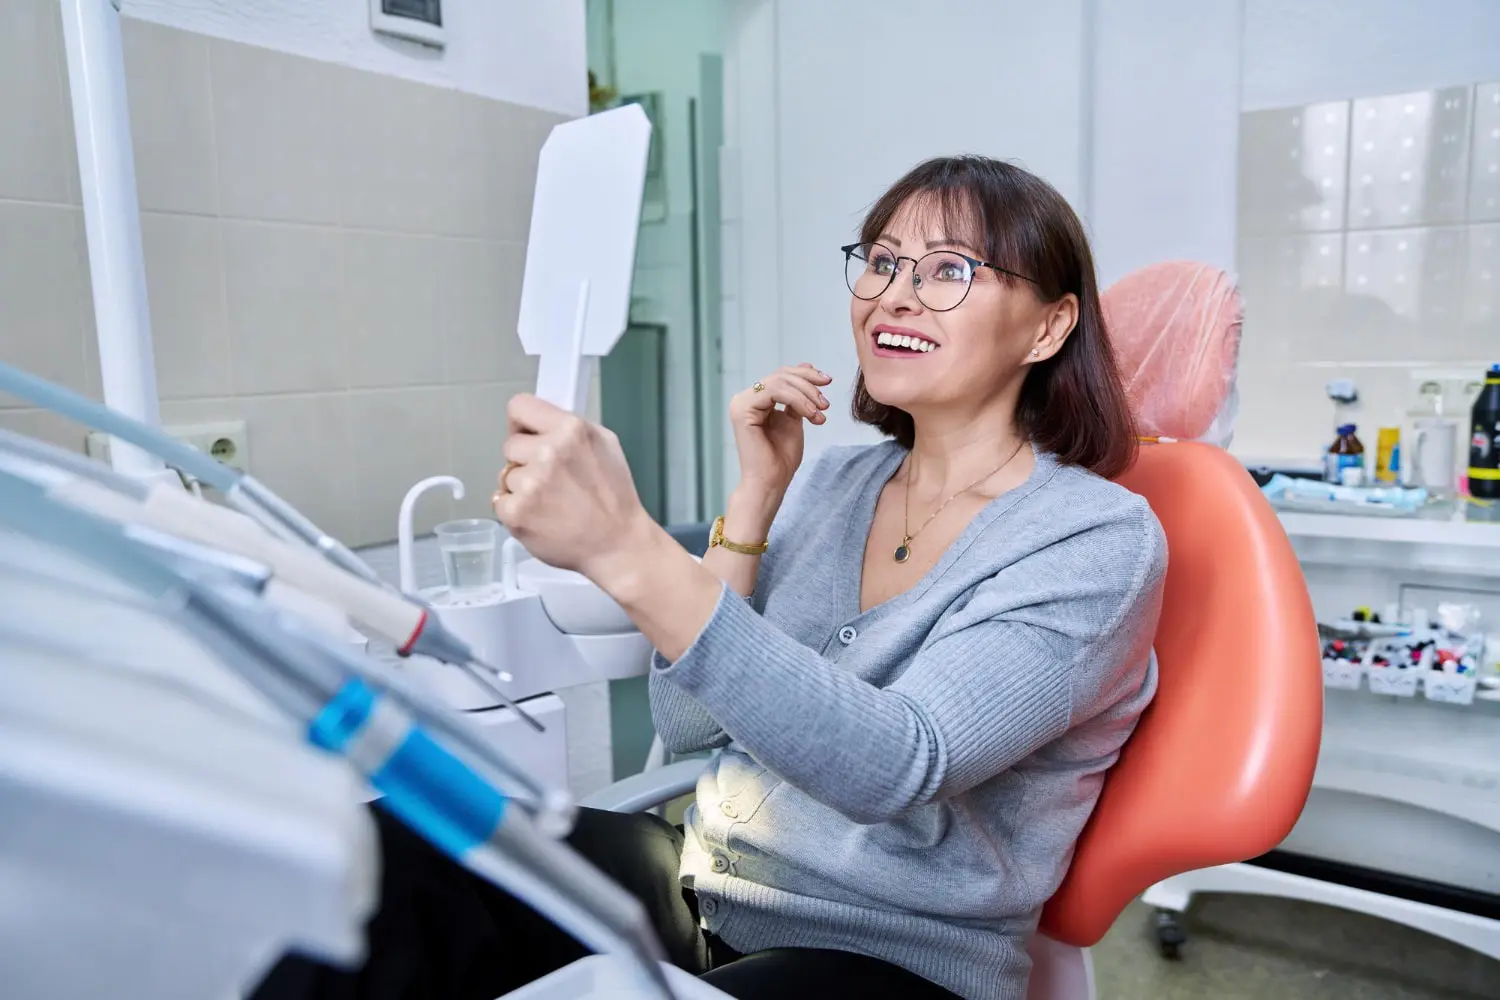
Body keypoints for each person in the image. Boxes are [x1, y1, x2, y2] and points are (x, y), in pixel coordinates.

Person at [253, 155, 1167, 1000]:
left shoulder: (1094, 540)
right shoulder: (839, 480)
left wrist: (626, 546)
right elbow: (688, 719)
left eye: (948, 270)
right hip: (706, 888)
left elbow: (899, 763)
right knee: (379, 857)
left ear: (1049, 325)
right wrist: (757, 498)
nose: (896, 295)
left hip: (890, 957)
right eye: (882, 261)